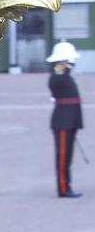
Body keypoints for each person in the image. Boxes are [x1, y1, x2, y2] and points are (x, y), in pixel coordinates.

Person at [47, 41, 83, 198]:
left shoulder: (66, 75)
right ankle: (63, 188)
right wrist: (62, 67)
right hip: (63, 121)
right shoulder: (58, 76)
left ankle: (67, 185)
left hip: (70, 121)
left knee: (67, 157)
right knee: (62, 158)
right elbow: (55, 82)